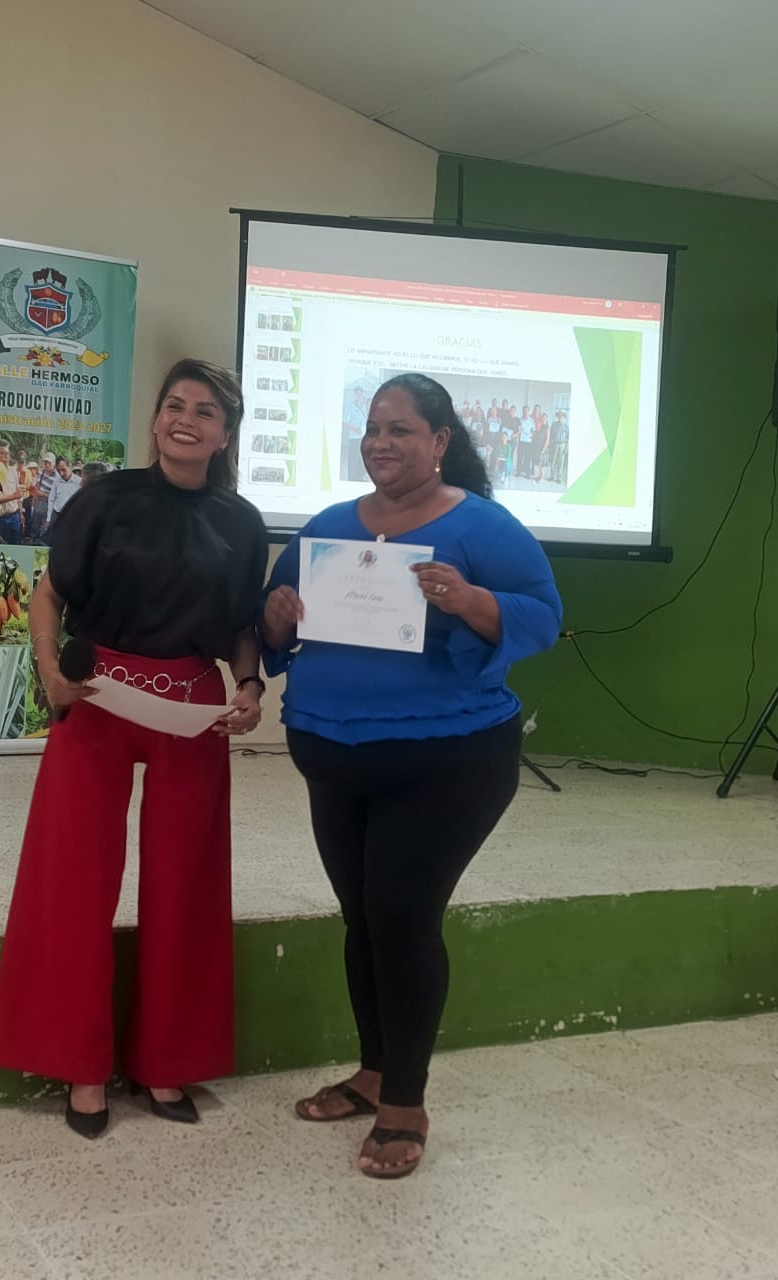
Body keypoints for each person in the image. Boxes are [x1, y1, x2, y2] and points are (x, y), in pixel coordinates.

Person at [261, 373, 561, 1180]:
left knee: (401, 916)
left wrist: (470, 600)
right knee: (364, 919)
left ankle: (405, 1103)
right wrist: (275, 617)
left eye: (400, 429)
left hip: (447, 761)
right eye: (373, 428)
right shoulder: (329, 526)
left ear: (440, 442)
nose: (381, 442)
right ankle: (373, 1072)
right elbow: (274, 619)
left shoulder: (483, 525)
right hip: (334, 760)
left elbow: (543, 615)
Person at [0, 359, 269, 1138]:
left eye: (205, 412)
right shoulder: (104, 499)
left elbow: (240, 626)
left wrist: (250, 686)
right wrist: (49, 670)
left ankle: (167, 1062)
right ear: (155, 419)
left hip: (191, 704)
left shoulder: (242, 522)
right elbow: (51, 592)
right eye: (175, 405)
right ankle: (79, 1065)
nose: (186, 420)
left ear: (224, 433)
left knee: (187, 885)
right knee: (73, 879)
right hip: (97, 695)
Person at [0, 439, 26, 543]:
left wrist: (20, 513)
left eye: (8, 453)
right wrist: (13, 496)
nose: (7, 456)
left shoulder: (13, 471)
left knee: (16, 545)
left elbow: (18, 495)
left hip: (14, 517)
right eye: (3, 453)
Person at [42, 456, 80, 542]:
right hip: (56, 515)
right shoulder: (56, 482)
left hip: (72, 517)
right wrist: (48, 519)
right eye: (58, 471)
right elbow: (51, 500)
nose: (61, 473)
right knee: (52, 540)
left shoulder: (79, 482)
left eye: (63, 470)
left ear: (70, 467)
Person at [30, 452, 58, 540]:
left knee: (45, 525)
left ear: (54, 463)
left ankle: (41, 541)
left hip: (48, 504)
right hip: (39, 502)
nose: (47, 465)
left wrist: (43, 494)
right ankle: (34, 539)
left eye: (49, 462)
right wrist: (34, 499)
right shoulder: (41, 472)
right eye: (45, 462)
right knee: (35, 523)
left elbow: (56, 495)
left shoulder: (57, 477)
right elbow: (37, 486)